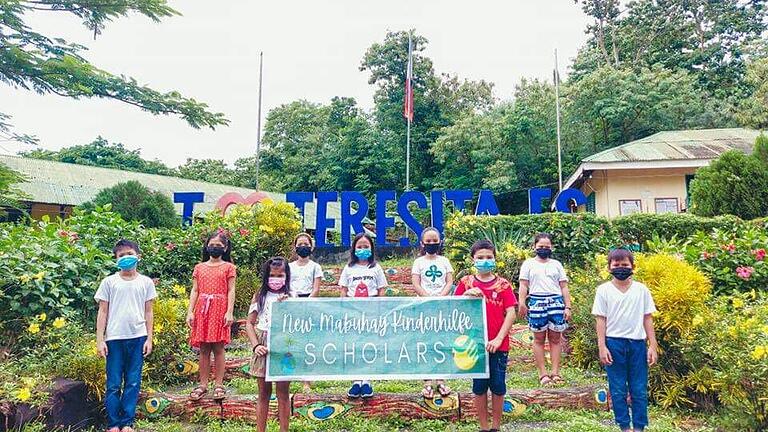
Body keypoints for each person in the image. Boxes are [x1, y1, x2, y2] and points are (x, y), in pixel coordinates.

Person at [592, 248, 658, 432]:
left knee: (639, 389)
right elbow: (600, 319)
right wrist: (602, 346)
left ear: (632, 266)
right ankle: (624, 427)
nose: (621, 268)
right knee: (618, 388)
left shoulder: (642, 290)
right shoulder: (603, 290)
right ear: (609, 267)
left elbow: (647, 317)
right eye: (617, 265)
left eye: (625, 265)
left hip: (637, 344)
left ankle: (639, 427)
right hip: (614, 344)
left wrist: (652, 345)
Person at [455, 239, 517, 432]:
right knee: (479, 386)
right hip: (474, 346)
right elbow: (452, 306)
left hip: (499, 345)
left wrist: (499, 338)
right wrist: (465, 296)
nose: (484, 261)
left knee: (498, 386)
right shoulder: (466, 283)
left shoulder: (503, 285)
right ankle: (483, 427)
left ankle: (496, 427)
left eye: (489, 257)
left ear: (494, 259)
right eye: (480, 257)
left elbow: (512, 313)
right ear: (473, 260)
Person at [95, 239, 156, 432]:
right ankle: (114, 424)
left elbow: (149, 312)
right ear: (115, 259)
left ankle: (127, 423)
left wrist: (149, 338)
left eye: (130, 254)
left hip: (137, 337)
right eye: (121, 255)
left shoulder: (145, 282)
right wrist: (100, 340)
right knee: (113, 383)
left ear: (138, 256)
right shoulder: (109, 282)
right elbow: (102, 312)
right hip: (114, 339)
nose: (126, 258)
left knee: (133, 381)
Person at [186, 231, 237, 402]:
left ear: (225, 248)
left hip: (219, 309)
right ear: (207, 247)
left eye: (218, 245)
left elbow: (231, 290)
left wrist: (229, 312)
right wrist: (190, 311)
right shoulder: (199, 267)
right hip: (203, 309)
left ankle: (219, 384)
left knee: (219, 348)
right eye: (212, 245)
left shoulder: (229, 267)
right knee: (204, 349)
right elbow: (195, 290)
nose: (215, 248)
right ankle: (202, 385)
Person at [245, 257, 293, 432]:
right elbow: (249, 323)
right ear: (266, 276)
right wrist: (256, 345)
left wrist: (289, 304)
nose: (276, 278)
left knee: (283, 393)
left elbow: (300, 322)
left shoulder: (292, 296)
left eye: (280, 275)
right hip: (263, 345)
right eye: (272, 275)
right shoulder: (260, 295)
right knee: (263, 393)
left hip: (284, 345)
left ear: (287, 276)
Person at [338, 232, 388, 399]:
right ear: (354, 249)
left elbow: (382, 290)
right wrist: (344, 311)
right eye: (359, 247)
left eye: (366, 246)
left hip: (372, 311)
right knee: (354, 344)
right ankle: (355, 380)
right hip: (353, 311)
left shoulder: (376, 268)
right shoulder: (349, 268)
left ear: (371, 248)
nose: (362, 249)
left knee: (368, 344)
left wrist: (380, 311)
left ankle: (367, 381)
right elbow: (343, 291)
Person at [518, 232, 571, 386]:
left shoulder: (556, 265)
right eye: (541, 246)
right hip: (536, 302)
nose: (544, 249)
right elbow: (523, 284)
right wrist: (521, 302)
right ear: (534, 247)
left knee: (555, 339)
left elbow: (564, 286)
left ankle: (555, 372)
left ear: (551, 248)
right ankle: (543, 374)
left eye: (547, 247)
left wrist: (568, 306)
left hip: (556, 302)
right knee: (539, 339)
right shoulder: (528, 264)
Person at [411, 227, 454, 399]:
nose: (431, 244)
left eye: (434, 240)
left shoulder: (444, 261)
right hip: (423, 307)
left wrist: (441, 297)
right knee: (426, 344)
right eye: (428, 241)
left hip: (442, 307)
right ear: (422, 243)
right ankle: (427, 383)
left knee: (442, 343)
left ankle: (442, 381)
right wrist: (427, 298)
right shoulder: (418, 262)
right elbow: (416, 283)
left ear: (439, 242)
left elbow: (449, 281)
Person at [288, 233, 322, 392]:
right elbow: (286, 286)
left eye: (305, 244)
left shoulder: (315, 267)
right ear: (295, 247)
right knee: (295, 342)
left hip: (309, 306)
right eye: (300, 244)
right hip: (292, 305)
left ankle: (307, 381)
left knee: (308, 343)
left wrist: (306, 302)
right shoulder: (289, 267)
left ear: (311, 246)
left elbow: (316, 289)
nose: (303, 247)